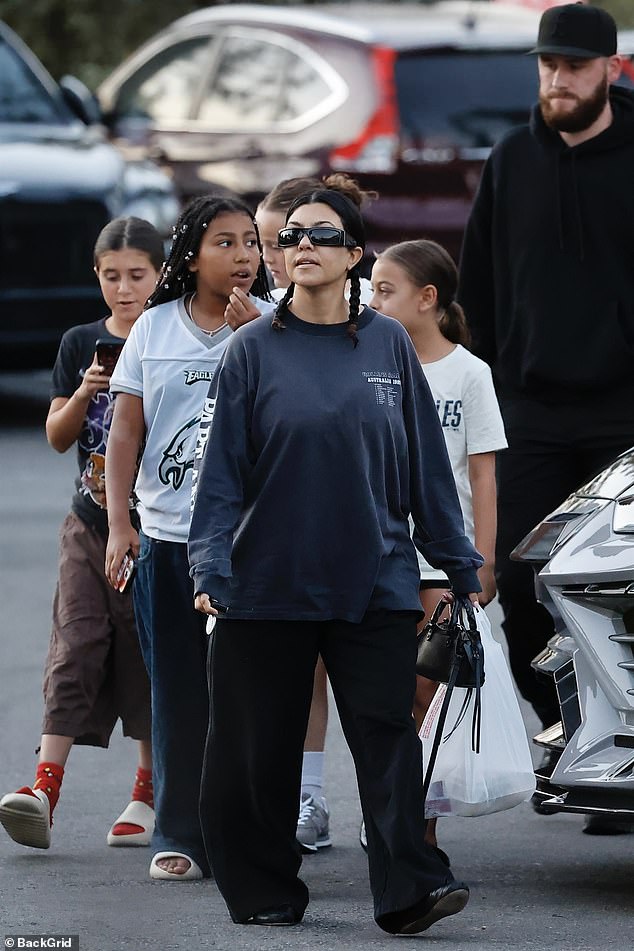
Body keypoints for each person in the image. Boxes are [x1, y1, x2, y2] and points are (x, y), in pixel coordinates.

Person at [188, 182, 483, 932]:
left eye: (322, 235)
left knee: (388, 743)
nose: (303, 247)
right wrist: (209, 567)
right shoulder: (251, 351)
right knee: (260, 752)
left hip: (375, 582)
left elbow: (426, 468)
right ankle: (264, 889)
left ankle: (409, 887)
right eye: (290, 237)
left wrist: (459, 567)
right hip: (264, 585)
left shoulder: (388, 343)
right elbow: (219, 474)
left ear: (356, 254)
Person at [458, 3, 634, 780]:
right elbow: (478, 289)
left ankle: (625, 748)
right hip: (530, 408)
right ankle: (568, 730)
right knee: (519, 581)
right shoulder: (511, 160)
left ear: (612, 70)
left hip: (626, 412)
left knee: (623, 594)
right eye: (547, 65)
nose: (557, 80)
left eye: (573, 66)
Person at [103, 196, 273, 880]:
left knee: (251, 693)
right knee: (175, 690)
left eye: (250, 243)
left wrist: (261, 330)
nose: (243, 255)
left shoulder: (273, 324)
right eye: (225, 242)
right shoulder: (152, 329)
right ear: (190, 255)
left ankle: (250, 829)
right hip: (168, 540)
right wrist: (121, 523)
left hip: (251, 542)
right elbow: (124, 433)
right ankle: (178, 832)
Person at [0, 217, 163, 851]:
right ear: (96, 276)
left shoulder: (170, 335)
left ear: (160, 275)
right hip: (90, 522)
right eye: (111, 276)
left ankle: (148, 791)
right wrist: (85, 392)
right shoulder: (79, 343)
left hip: (156, 527)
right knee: (75, 641)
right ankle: (44, 787)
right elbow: (56, 436)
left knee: (146, 650)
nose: (124, 290)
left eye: (137, 276)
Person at [369, 238, 507, 856]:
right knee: (386, 694)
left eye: (385, 290)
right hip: (379, 553)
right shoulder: (371, 360)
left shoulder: (469, 373)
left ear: (427, 299)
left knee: (426, 695)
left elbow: (482, 474)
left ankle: (416, 825)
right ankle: (392, 817)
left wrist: (481, 558)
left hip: (442, 560)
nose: (372, 300)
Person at [256, 174, 375, 854]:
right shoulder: (255, 328)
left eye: (304, 236)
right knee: (289, 681)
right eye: (277, 239)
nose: (282, 251)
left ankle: (382, 813)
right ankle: (294, 800)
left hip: (356, 536)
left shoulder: (363, 322)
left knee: (361, 686)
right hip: (274, 540)